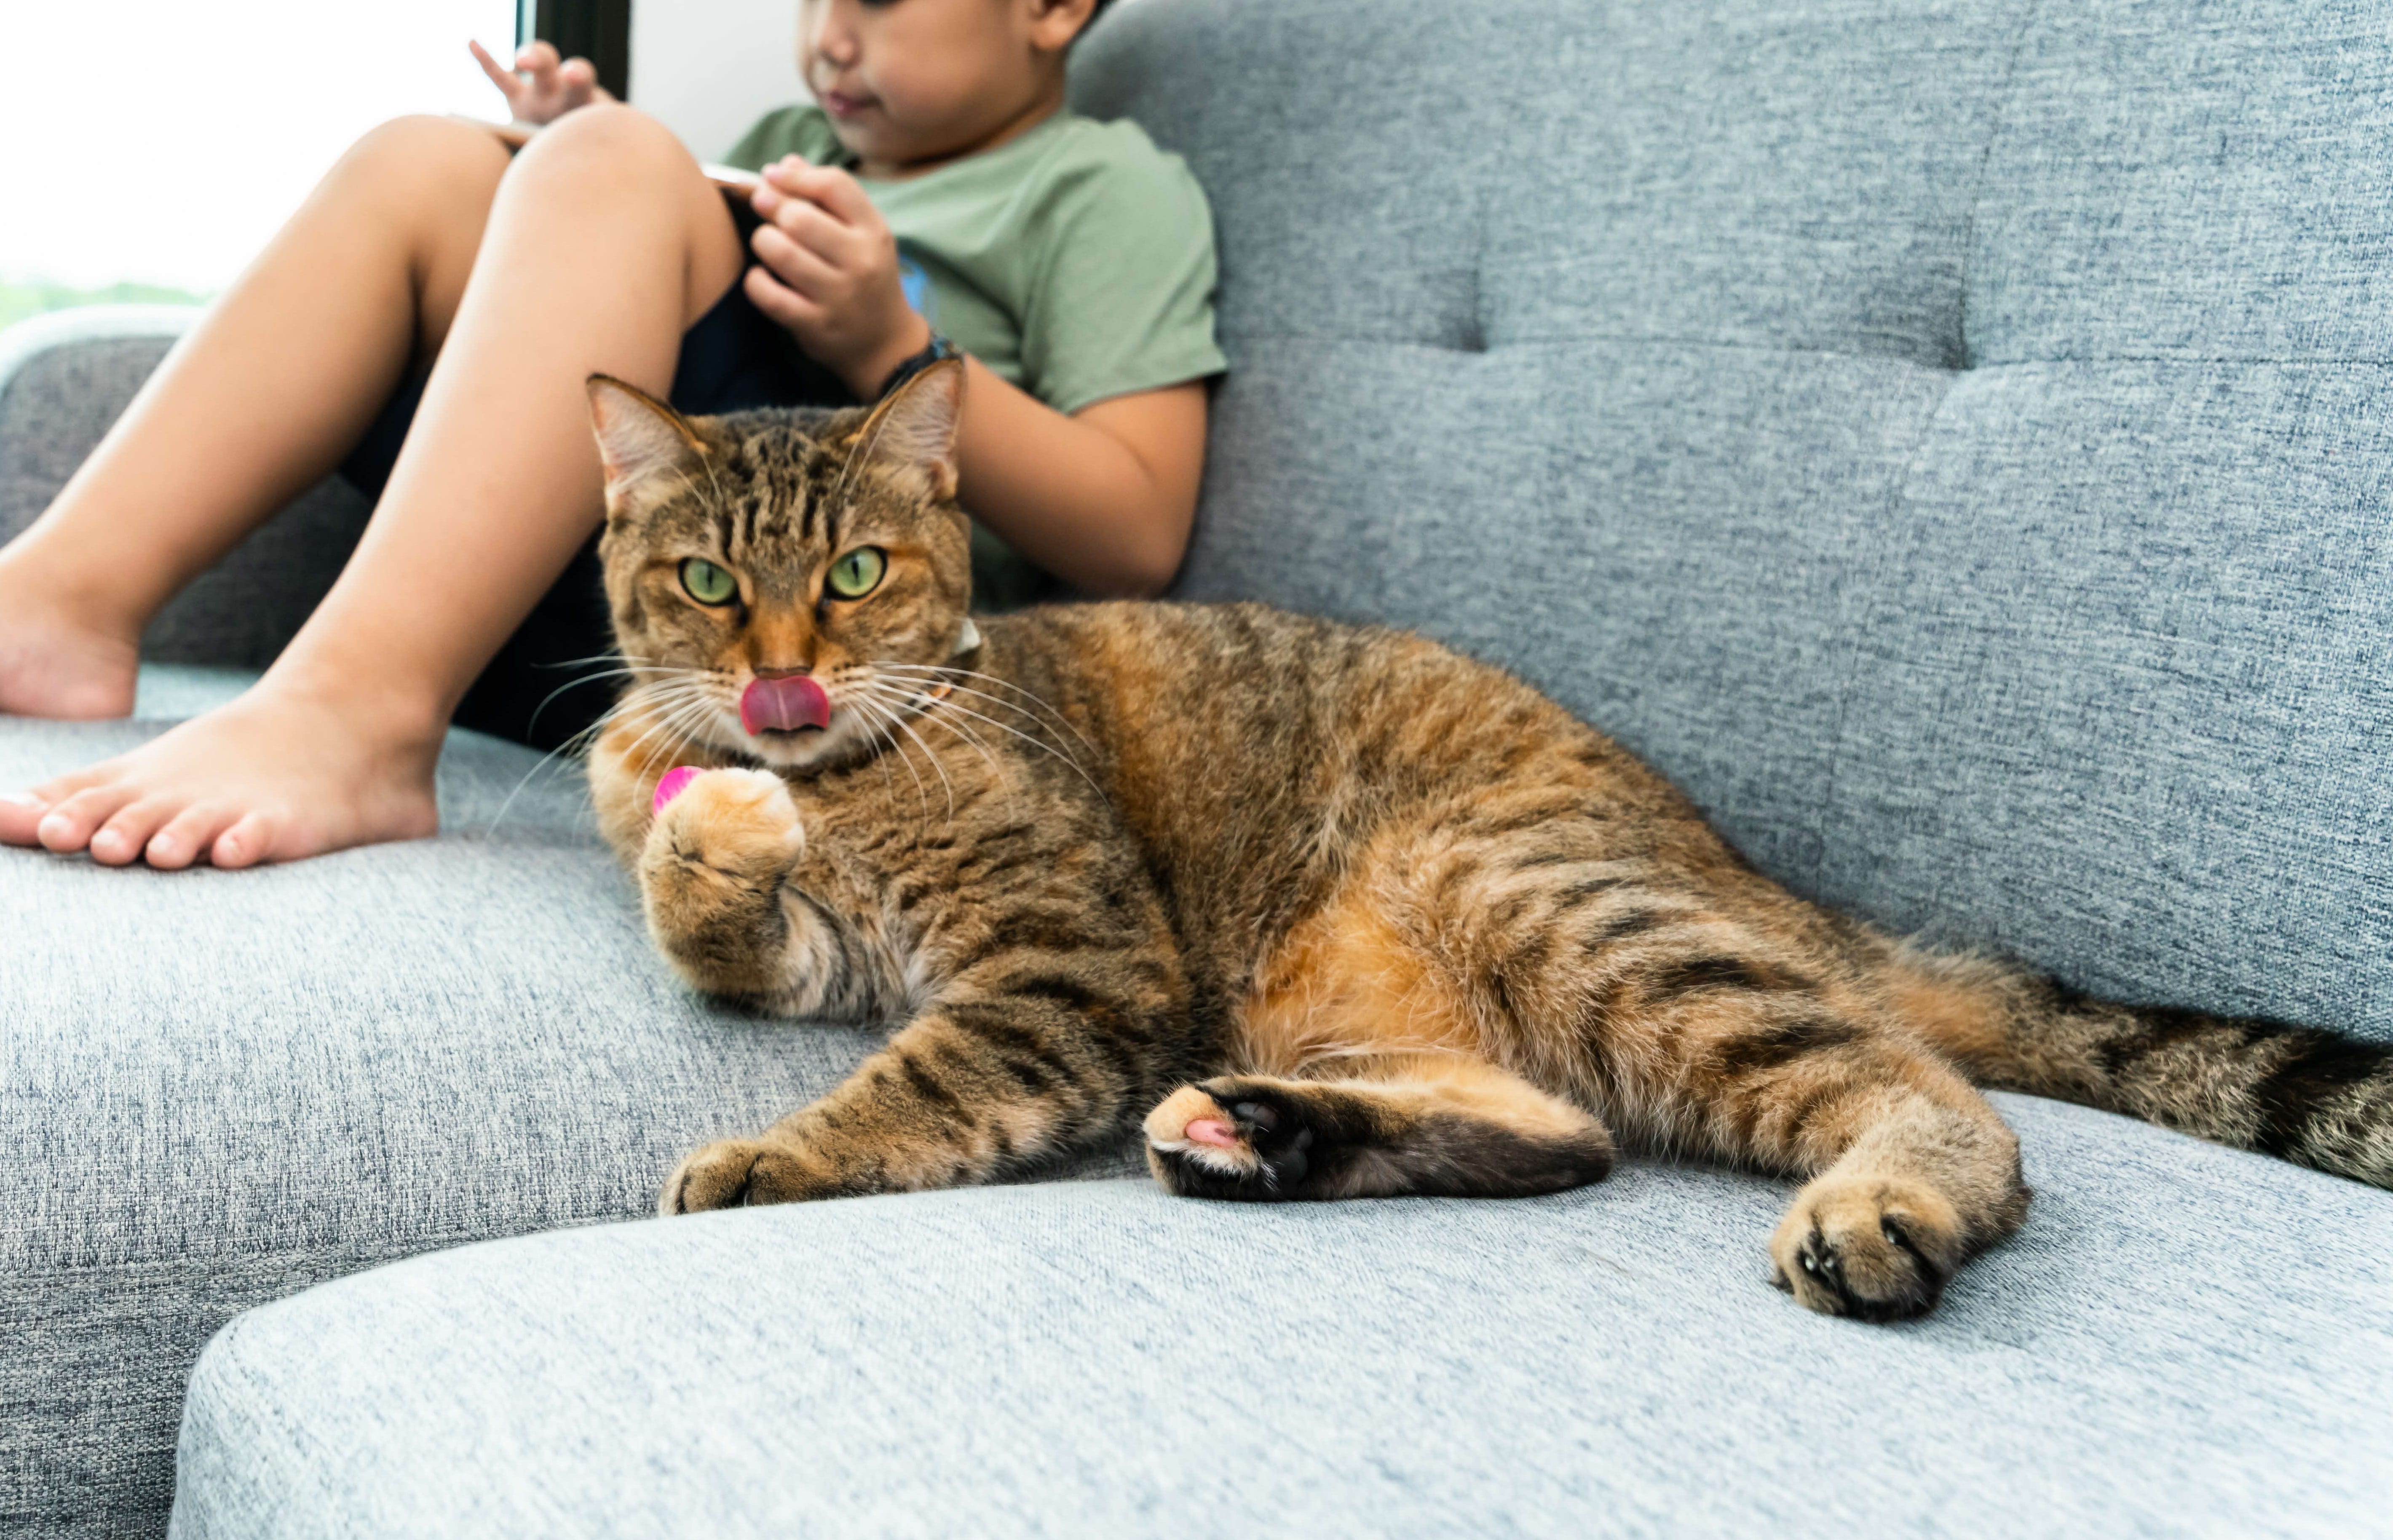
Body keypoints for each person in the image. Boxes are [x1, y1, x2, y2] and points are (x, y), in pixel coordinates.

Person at [0, 0, 1221, 869]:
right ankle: (55, 603)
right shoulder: (774, 147)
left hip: (838, 663)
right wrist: (561, 166)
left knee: (617, 163)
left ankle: (356, 717)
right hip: (638, 614)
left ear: (1056, 7)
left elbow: (1140, 528)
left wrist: (890, 349)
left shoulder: (1098, 186)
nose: (830, 36)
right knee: (425, 159)